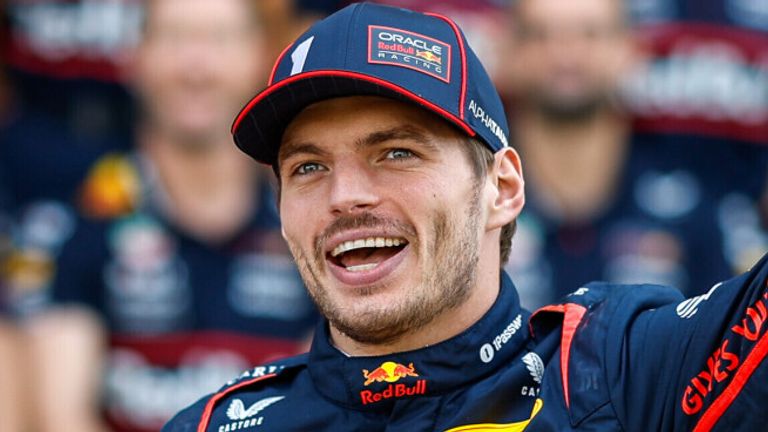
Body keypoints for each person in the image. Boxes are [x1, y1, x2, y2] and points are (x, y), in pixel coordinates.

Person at [164, 3, 768, 431]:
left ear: (501, 188)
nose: (344, 196)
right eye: (308, 167)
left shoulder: (623, 372)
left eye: (396, 153)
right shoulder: (215, 427)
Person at [14, 1, 318, 431]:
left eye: (219, 39)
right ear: (134, 57)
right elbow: (60, 417)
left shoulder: (308, 221)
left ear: (259, 56)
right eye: (175, 39)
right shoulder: (79, 222)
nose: (196, 66)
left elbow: (330, 406)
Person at [500, 0, 753, 309]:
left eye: (590, 34)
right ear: (507, 51)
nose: (565, 54)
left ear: (632, 49)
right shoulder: (474, 192)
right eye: (540, 35)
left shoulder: (687, 200)